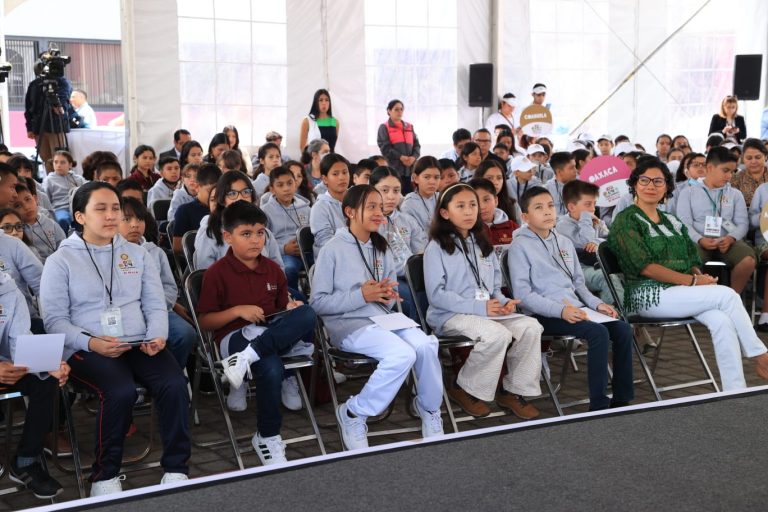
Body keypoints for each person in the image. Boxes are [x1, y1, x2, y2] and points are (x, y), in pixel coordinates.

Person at [40, 181, 190, 496]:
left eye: (115, 208)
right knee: (120, 391)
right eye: (101, 209)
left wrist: (157, 336)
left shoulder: (137, 254)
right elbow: (55, 321)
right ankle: (105, 475)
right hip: (86, 346)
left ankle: (176, 468)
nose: (111, 216)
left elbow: (153, 303)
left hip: (137, 341)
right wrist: (92, 342)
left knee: (174, 383)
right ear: (80, 216)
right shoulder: (61, 261)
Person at [608, 157, 768, 390]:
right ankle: (761, 356)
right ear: (634, 184)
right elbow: (644, 266)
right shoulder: (626, 220)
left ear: (667, 188)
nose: (650, 186)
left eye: (658, 181)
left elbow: (691, 260)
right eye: (644, 180)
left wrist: (701, 278)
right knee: (727, 296)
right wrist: (694, 281)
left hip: (679, 292)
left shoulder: (671, 220)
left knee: (722, 320)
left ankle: (735, 390)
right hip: (645, 295)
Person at [310, 185, 444, 448]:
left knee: (427, 344)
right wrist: (362, 295)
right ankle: (354, 412)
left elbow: (387, 289)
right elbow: (317, 303)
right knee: (402, 354)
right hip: (349, 325)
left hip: (383, 320)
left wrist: (387, 295)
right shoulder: (332, 249)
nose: (378, 212)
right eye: (370, 206)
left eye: (379, 207)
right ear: (349, 212)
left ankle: (429, 409)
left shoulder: (380, 246)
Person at [198, 201, 316, 464]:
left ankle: (249, 358)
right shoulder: (217, 273)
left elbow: (277, 313)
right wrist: (237, 310)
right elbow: (205, 321)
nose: (255, 240)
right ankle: (268, 435)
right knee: (272, 366)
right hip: (234, 338)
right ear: (227, 237)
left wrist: (288, 308)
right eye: (246, 234)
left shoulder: (274, 269)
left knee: (306, 312)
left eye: (261, 232)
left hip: (265, 334)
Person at [423, 183, 542, 418]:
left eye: (472, 205)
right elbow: (437, 295)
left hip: (486, 310)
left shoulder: (481, 243)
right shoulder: (436, 247)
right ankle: (464, 388)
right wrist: (480, 306)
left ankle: (512, 390)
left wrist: (503, 301)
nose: (469, 211)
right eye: (461, 206)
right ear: (445, 213)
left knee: (531, 327)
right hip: (450, 315)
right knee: (497, 335)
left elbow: (494, 286)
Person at [510, 186, 634, 411]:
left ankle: (622, 398)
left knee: (622, 328)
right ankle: (598, 403)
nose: (547, 212)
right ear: (525, 217)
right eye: (539, 208)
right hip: (543, 313)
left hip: (574, 308)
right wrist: (560, 311)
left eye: (550, 206)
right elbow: (523, 295)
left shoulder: (563, 241)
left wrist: (598, 304)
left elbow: (578, 284)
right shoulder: (520, 246)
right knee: (598, 333)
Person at [0, 270, 69, 499]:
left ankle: (26, 460)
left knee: (46, 379)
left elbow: (21, 340)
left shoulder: (7, 288)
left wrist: (48, 363)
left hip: (4, 363)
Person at [118, 198, 196, 368]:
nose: (134, 225)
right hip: (126, 313)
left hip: (159, 310)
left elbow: (169, 287)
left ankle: (172, 372)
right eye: (126, 219)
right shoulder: (111, 253)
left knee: (185, 334)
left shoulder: (155, 252)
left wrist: (157, 306)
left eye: (140, 219)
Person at [676, 146, 754, 296]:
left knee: (748, 260)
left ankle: (731, 299)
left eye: (732, 171)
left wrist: (731, 238)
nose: (729, 176)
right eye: (726, 171)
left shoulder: (735, 194)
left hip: (728, 241)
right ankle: (703, 299)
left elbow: (742, 223)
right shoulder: (689, 192)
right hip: (696, 241)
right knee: (687, 260)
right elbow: (683, 222)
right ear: (710, 167)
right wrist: (700, 239)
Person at [370, 167, 426, 322]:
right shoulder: (367, 223)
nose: (391, 196)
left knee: (431, 293)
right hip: (386, 278)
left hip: (412, 275)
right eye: (384, 190)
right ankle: (420, 336)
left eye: (396, 191)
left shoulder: (407, 220)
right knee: (416, 300)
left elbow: (420, 253)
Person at [556, 180, 620, 305]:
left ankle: (617, 310)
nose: (592, 209)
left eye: (594, 204)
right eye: (587, 204)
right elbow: (586, 243)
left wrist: (598, 241)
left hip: (596, 264)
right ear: (571, 207)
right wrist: (586, 219)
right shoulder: (563, 226)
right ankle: (614, 314)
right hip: (577, 270)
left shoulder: (594, 221)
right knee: (606, 278)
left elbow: (611, 239)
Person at [262, 166, 311, 290]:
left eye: (290, 183)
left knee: (327, 263)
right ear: (272, 189)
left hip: (307, 252)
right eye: (280, 185)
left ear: (295, 184)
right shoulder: (265, 211)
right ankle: (293, 300)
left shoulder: (306, 208)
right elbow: (264, 242)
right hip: (283, 254)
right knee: (288, 269)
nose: (286, 188)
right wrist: (284, 249)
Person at [24, 68, 72, 173]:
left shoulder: (62, 82)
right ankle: (51, 180)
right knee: (45, 158)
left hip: (56, 126)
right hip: (38, 127)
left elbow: (63, 101)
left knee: (59, 157)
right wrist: (29, 127)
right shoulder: (35, 84)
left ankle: (62, 181)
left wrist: (58, 106)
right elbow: (29, 107)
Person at [172, 164, 221, 256]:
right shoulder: (185, 211)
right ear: (197, 187)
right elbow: (177, 247)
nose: (214, 195)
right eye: (209, 191)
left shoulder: (223, 208)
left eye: (219, 192)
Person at [309, 153, 350, 259]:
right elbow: (326, 243)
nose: (342, 177)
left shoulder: (358, 199)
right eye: (335, 174)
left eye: (345, 172)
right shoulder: (319, 208)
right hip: (333, 261)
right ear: (325, 179)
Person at [377, 100, 420, 194]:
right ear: (389, 111)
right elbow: (385, 148)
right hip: (394, 169)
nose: (400, 112)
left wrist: (414, 157)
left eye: (401, 109)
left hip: (410, 169)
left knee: (410, 195)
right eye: (396, 109)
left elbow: (416, 145)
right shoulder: (384, 127)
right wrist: (401, 157)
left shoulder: (409, 126)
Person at [15, 182, 65, 262]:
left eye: (28, 199)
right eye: (18, 205)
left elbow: (63, 246)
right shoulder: (16, 231)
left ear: (35, 199)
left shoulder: (51, 223)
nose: (26, 207)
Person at [41, 150, 85, 232]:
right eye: (56, 162)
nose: (58, 165)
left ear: (70, 164)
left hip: (78, 208)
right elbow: (46, 200)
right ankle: (62, 241)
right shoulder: (49, 180)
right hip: (60, 209)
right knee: (62, 219)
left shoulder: (78, 179)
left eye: (62, 162)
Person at [401, 156, 440, 232]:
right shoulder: (409, 205)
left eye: (436, 177)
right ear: (415, 178)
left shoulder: (443, 198)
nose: (432, 182)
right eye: (427, 177)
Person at [474, 158, 518, 223]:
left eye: (499, 178)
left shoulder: (512, 204)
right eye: (489, 178)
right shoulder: (470, 204)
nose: (495, 182)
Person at [730, 138, 768, 207]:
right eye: (749, 158)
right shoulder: (735, 179)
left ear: (765, 157)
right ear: (743, 158)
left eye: (758, 157)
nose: (753, 161)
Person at [300, 89, 340, 153]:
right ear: (315, 102)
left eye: (327, 100)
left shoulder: (335, 122)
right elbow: (302, 147)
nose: (324, 103)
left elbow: (333, 146)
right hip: (314, 159)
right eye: (320, 100)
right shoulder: (307, 121)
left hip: (330, 159)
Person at [544, 151, 577, 216]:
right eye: (571, 168)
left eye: (575, 166)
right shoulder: (546, 190)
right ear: (559, 172)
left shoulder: (580, 187)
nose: (575, 170)